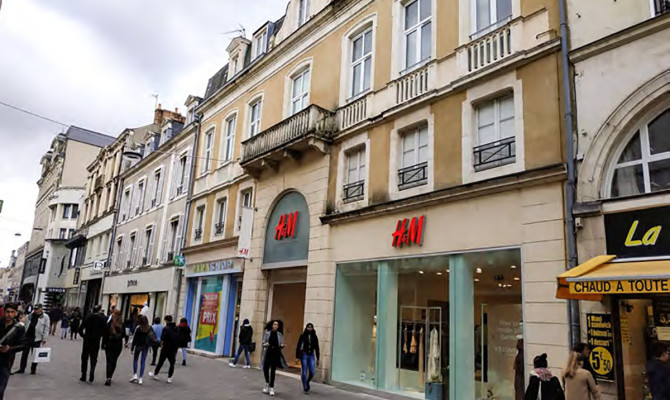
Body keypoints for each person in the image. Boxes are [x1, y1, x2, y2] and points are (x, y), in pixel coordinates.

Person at [16, 303, 49, 375]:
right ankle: (22, 369)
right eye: (34, 309)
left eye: (37, 309)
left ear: (41, 309)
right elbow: (24, 322)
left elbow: (46, 328)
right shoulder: (30, 315)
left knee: (35, 355)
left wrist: (44, 338)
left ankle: (33, 369)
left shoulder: (45, 317)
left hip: (37, 338)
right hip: (28, 337)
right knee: (24, 354)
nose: (35, 310)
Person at [0, 303, 24, 400]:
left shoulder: (19, 328)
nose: (9, 314)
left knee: (1, 388)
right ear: (4, 312)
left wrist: (10, 348)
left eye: (12, 312)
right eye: (7, 312)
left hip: (6, 361)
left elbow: (23, 345)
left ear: (16, 313)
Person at [78, 305, 107, 383]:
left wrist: (83, 336)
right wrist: (101, 338)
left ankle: (83, 374)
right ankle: (92, 371)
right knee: (94, 357)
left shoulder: (88, 317)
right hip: (96, 340)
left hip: (87, 339)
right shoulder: (102, 319)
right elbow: (105, 330)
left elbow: (80, 328)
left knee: (85, 357)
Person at [149, 315, 179, 383]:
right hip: (173, 348)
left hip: (166, 347)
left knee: (160, 362)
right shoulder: (177, 328)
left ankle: (155, 374)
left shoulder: (165, 328)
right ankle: (169, 378)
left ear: (166, 321)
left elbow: (163, 338)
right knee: (172, 363)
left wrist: (161, 345)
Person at [261, 320, 287, 397]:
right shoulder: (268, 333)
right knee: (265, 368)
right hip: (268, 352)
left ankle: (271, 387)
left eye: (277, 325)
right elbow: (263, 343)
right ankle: (267, 383)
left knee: (273, 370)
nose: (276, 326)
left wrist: (282, 345)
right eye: (274, 324)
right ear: (272, 325)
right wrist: (266, 344)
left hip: (275, 353)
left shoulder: (280, 334)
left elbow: (281, 344)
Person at [102, 309, 127, 386]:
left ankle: (108, 377)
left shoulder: (110, 323)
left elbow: (105, 334)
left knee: (108, 361)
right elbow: (124, 335)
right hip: (118, 345)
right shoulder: (122, 324)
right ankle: (110, 375)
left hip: (109, 343)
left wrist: (103, 344)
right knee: (114, 361)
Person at [296, 322, 320, 394]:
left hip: (311, 355)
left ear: (312, 328)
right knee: (304, 371)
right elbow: (298, 346)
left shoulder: (314, 336)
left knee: (312, 371)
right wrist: (297, 356)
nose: (309, 328)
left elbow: (317, 348)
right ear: (306, 328)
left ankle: (307, 381)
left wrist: (318, 358)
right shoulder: (303, 336)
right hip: (304, 354)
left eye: (311, 327)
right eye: (308, 327)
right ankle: (305, 387)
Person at [130, 315, 153, 384]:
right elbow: (152, 337)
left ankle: (135, 375)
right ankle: (141, 378)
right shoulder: (149, 328)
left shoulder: (138, 328)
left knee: (135, 360)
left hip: (138, 345)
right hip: (145, 346)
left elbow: (134, 338)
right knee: (143, 361)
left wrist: (132, 348)